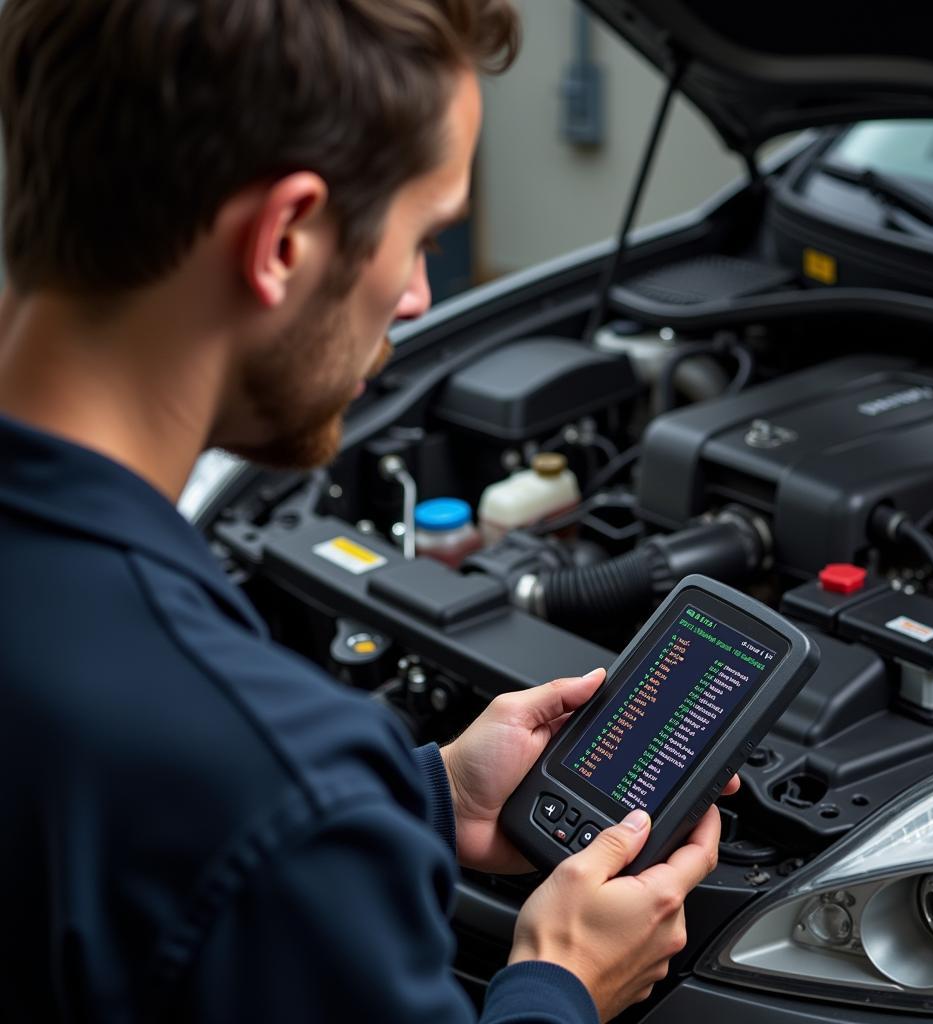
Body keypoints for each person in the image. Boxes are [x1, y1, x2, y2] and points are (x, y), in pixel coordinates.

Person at [0, 2, 736, 1021]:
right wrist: (559, 984)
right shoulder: (267, 781)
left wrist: (427, 793)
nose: (419, 300)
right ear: (285, 238)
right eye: (424, 236)